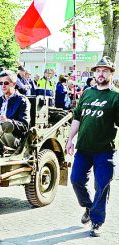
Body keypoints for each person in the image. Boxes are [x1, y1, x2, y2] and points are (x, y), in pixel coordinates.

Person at [66, 56, 119, 237]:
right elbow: (77, 117)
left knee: (102, 185)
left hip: (104, 150)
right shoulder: (87, 92)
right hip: (84, 149)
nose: (101, 73)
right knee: (75, 180)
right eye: (98, 70)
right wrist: (70, 139)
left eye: (105, 70)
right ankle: (89, 207)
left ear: (111, 73)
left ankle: (97, 221)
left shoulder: (116, 97)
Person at [0, 70, 30, 149]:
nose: (3, 86)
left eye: (6, 83)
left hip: (12, 136)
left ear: (14, 84)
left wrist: (8, 121)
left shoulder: (22, 100)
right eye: (1, 83)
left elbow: (24, 126)